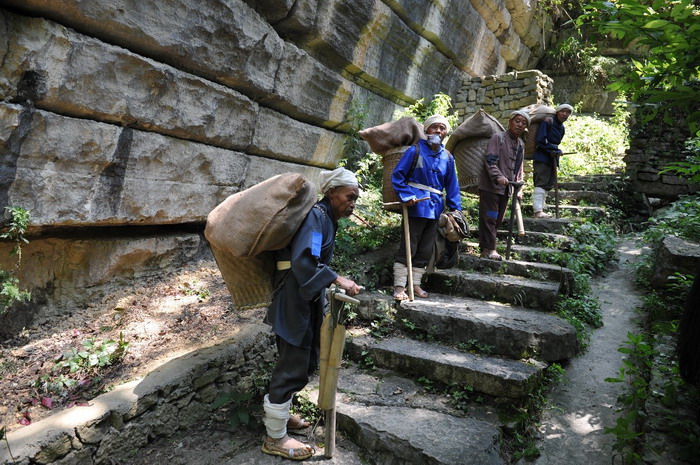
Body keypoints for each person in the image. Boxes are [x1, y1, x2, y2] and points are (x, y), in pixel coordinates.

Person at [261, 167, 362, 461]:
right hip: (293, 298)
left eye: (355, 198)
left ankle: (279, 415)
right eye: (349, 196)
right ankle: (274, 438)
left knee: (303, 361)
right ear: (331, 192)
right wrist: (337, 279)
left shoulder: (327, 219)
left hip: (304, 298)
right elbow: (304, 261)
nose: (352, 203)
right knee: (293, 363)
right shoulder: (317, 217)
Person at [391, 114, 463, 301]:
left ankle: (415, 285)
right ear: (426, 130)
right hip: (415, 207)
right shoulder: (414, 152)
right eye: (434, 127)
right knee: (408, 246)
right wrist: (407, 196)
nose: (438, 131)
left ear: (446, 133)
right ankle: (400, 287)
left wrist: (456, 209)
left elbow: (452, 185)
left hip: (435, 209)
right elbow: (398, 177)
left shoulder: (447, 157)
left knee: (424, 250)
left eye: (442, 128)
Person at [477, 110, 529, 261]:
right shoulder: (498, 138)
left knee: (498, 219)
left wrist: (519, 188)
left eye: (524, 123)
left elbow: (519, 169)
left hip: (507, 189)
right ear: (510, 121)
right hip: (490, 187)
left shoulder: (520, 144)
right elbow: (490, 160)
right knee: (490, 217)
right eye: (517, 121)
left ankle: (486, 248)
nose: (520, 125)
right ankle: (489, 249)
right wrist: (498, 176)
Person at [531, 103, 573, 218]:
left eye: (567, 112)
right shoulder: (548, 121)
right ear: (557, 112)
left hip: (552, 157)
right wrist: (553, 149)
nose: (565, 114)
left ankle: (541, 208)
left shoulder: (561, 128)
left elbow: (556, 143)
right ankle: (537, 210)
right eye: (562, 111)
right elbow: (541, 139)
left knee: (549, 183)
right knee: (541, 182)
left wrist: (555, 150)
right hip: (542, 157)